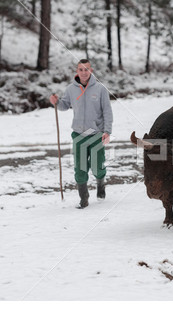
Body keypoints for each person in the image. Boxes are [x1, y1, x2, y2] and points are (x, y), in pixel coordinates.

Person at [50, 59, 113, 209]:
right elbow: (64, 105)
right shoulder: (71, 89)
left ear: (91, 71)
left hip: (97, 134)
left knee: (97, 166)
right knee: (80, 167)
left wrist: (107, 131)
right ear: (77, 71)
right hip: (78, 135)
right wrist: (56, 102)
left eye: (86, 69)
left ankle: (100, 183)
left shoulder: (100, 89)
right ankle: (83, 198)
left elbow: (107, 112)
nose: (84, 72)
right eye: (81, 69)